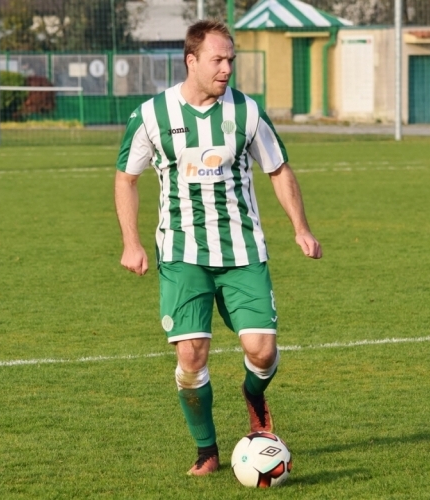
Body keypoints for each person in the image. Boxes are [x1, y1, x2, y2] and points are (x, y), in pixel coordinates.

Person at [114, 19, 322, 476]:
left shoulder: (247, 112)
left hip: (243, 252)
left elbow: (278, 169)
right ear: (191, 61)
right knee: (191, 354)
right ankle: (206, 449)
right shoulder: (152, 115)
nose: (227, 68)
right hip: (182, 253)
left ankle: (253, 393)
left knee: (262, 352)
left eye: (231, 59)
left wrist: (301, 228)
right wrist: (131, 242)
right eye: (218, 60)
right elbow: (126, 178)